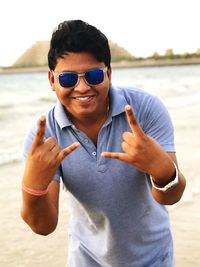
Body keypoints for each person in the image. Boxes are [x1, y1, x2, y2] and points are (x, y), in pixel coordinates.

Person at [21, 19, 186, 267]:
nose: (82, 87)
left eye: (94, 75)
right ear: (51, 80)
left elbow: (170, 197)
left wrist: (161, 169)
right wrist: (32, 186)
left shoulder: (144, 109)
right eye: (67, 79)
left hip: (153, 258)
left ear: (108, 73)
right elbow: (43, 226)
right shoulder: (44, 135)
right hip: (86, 259)